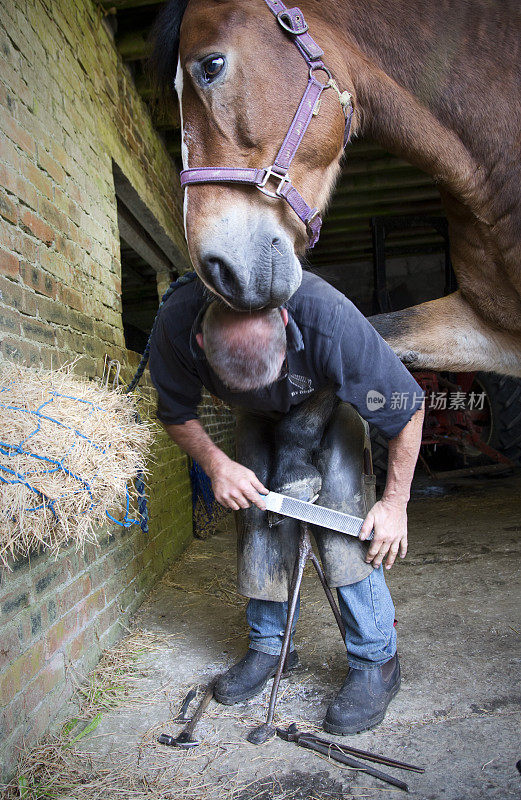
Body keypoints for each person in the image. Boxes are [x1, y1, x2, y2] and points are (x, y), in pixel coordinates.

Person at [148, 270, 424, 735]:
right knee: (256, 503)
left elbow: (407, 409)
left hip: (328, 403)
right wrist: (217, 465)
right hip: (257, 419)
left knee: (343, 512)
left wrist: (395, 504)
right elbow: (175, 413)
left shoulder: (328, 320)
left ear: (285, 323)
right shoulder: (174, 327)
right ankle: (271, 646)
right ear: (200, 341)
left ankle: (377, 658)